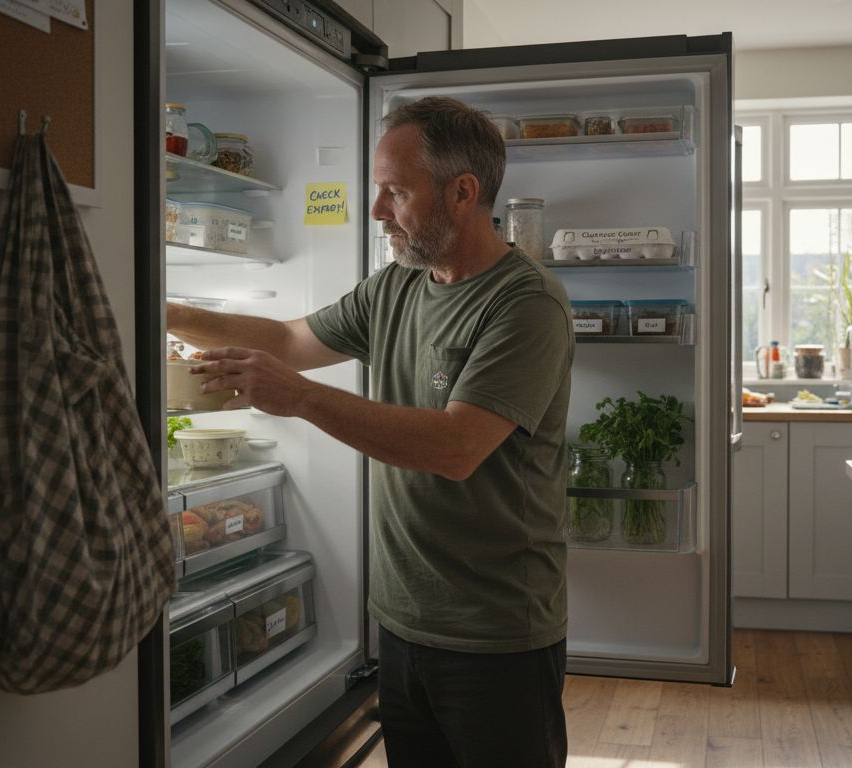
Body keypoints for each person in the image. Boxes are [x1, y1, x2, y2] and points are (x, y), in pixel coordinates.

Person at [168, 96, 573, 767]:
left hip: (496, 634)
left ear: (463, 193)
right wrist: (167, 308)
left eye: (396, 192)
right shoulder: (396, 287)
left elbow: (455, 447)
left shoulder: (525, 305)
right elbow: (287, 339)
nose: (379, 211)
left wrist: (297, 397)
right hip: (402, 618)